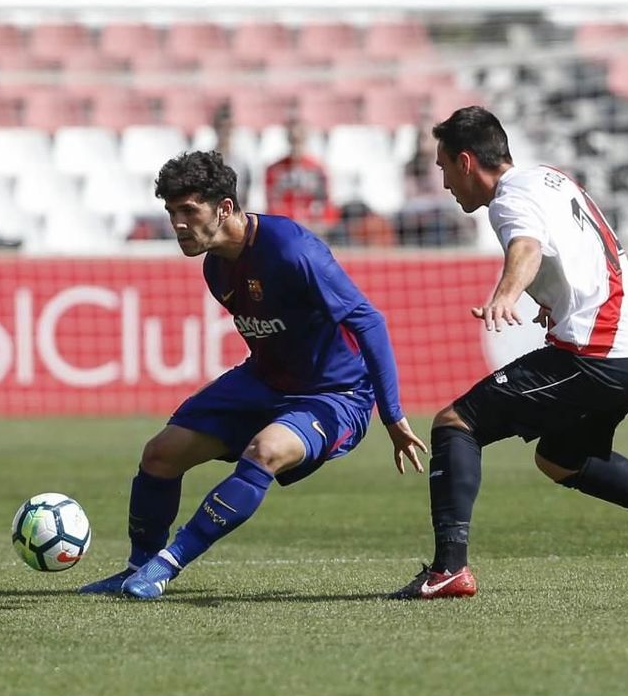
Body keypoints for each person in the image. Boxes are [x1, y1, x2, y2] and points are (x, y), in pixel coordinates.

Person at [390, 106, 628, 600]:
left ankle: (449, 569)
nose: (444, 183)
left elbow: (527, 250)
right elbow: (595, 244)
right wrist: (558, 299)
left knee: (455, 424)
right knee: (561, 458)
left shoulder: (509, 202)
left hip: (597, 355)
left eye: (444, 168)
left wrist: (506, 295)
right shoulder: (550, 178)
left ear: (466, 161)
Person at [79, 150, 427, 599]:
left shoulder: (291, 249)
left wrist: (392, 415)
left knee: (265, 450)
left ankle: (167, 565)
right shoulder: (215, 267)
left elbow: (369, 321)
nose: (178, 223)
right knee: (160, 455)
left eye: (189, 210)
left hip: (336, 394)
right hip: (265, 381)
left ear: (224, 208)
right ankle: (137, 566)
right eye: (171, 212)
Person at [264, 118, 338, 235]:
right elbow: (273, 206)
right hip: (285, 230)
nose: (296, 144)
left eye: (300, 139)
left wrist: (313, 223)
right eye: (293, 139)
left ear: (306, 139)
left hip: (314, 230)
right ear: (288, 139)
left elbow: (326, 205)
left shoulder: (318, 169)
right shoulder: (274, 170)